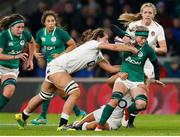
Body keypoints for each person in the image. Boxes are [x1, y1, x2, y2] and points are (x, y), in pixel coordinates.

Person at [15, 28, 138, 130]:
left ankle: (22, 117)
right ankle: (62, 125)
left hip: (56, 67)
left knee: (43, 96)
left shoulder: (98, 55)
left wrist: (132, 66)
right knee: (75, 92)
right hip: (58, 67)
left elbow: (111, 69)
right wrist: (130, 48)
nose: (107, 41)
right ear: (99, 38)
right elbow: (113, 48)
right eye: (106, 39)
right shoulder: (93, 44)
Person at [95, 25, 165, 131]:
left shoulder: (148, 49)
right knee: (114, 100)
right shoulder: (128, 43)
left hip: (137, 80)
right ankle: (99, 127)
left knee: (142, 104)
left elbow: (156, 64)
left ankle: (127, 111)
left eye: (145, 38)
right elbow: (112, 27)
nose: (144, 40)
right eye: (141, 38)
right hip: (124, 79)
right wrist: (126, 35)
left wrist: (158, 78)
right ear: (136, 36)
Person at [30, 10, 86, 126]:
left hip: (60, 64)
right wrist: (36, 53)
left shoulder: (60, 32)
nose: (51, 23)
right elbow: (37, 45)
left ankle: (43, 116)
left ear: (55, 22)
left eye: (53, 21)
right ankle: (79, 113)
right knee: (59, 92)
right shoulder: (40, 33)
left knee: (46, 91)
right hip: (50, 64)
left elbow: (72, 45)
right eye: (48, 21)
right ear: (44, 23)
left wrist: (61, 55)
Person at [117, 2, 167, 128]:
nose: (148, 14)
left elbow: (164, 49)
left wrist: (150, 49)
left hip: (147, 65)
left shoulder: (158, 28)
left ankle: (129, 118)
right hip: (132, 62)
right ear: (141, 13)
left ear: (154, 15)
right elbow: (125, 41)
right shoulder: (134, 25)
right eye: (145, 12)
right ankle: (116, 112)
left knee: (143, 97)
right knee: (122, 87)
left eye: (150, 12)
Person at [0, 14, 34, 110]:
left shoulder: (25, 34)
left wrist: (30, 59)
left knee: (9, 91)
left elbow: (32, 42)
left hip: (11, 69)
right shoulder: (4, 35)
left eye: (22, 27)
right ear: (11, 27)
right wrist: (16, 56)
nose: (21, 30)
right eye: (18, 27)